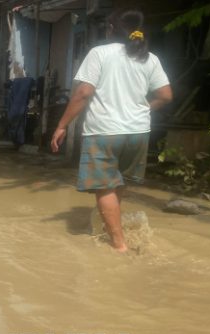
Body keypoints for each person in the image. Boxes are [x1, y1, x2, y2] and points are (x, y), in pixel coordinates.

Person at [50, 10, 172, 252]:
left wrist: (61, 125)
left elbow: (83, 93)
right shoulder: (150, 59)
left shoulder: (100, 53)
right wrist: (143, 108)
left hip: (104, 131)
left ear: (110, 29)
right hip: (138, 132)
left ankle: (119, 245)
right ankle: (112, 228)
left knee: (104, 186)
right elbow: (166, 96)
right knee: (118, 183)